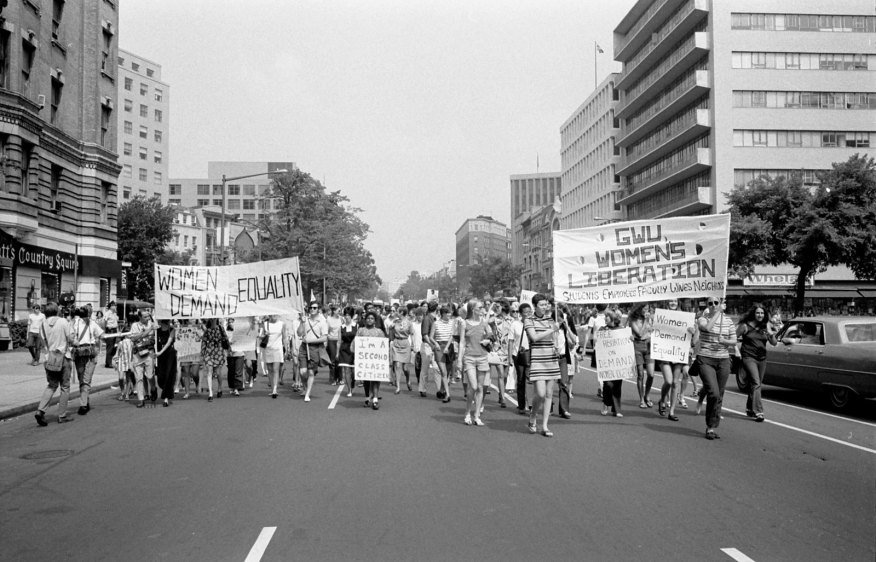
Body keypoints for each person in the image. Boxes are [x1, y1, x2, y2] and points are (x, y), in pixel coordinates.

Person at [696, 297, 737, 440]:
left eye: (716, 303)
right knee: (713, 392)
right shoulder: (703, 318)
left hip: (723, 360)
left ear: (720, 304)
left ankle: (711, 427)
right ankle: (710, 423)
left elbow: (734, 340)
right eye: (710, 303)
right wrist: (717, 313)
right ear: (707, 306)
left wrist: (725, 341)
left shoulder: (728, 321)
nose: (713, 305)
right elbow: (706, 328)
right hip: (706, 358)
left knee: (719, 394)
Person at [524, 294, 561, 436]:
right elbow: (534, 337)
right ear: (535, 306)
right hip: (538, 359)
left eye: (546, 304)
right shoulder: (529, 320)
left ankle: (545, 425)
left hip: (551, 359)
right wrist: (552, 329)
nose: (544, 307)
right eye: (541, 305)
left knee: (549, 394)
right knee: (540, 393)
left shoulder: (550, 319)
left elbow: (554, 338)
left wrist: (556, 345)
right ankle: (533, 416)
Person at [737, 303, 779, 423]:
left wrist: (771, 335)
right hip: (748, 357)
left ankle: (750, 408)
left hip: (761, 358)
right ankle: (758, 412)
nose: (760, 315)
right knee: (756, 382)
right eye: (757, 313)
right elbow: (733, 338)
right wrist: (736, 351)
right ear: (753, 314)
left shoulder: (766, 325)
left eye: (762, 313)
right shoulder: (745, 326)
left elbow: (774, 343)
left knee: (756, 384)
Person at [655, 299, 696, 422]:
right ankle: (662, 400)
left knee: (675, 383)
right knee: (668, 381)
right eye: (671, 301)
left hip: (678, 354)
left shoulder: (684, 317)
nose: (673, 303)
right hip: (665, 353)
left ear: (678, 303)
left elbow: (691, 339)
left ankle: (672, 411)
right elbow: (656, 332)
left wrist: (692, 333)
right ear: (667, 302)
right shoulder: (661, 316)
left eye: (675, 301)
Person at [34, 303, 72, 425]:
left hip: (49, 358)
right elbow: (70, 338)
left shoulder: (42, 325)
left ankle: (40, 410)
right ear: (57, 311)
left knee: (51, 385)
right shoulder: (63, 322)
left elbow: (43, 342)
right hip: (63, 357)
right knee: (65, 387)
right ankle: (62, 415)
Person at [457, 299, 491, 426]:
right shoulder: (465, 323)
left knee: (480, 387)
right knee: (474, 386)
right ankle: (467, 412)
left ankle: (476, 415)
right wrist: (459, 360)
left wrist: (488, 340)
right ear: (472, 309)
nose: (482, 310)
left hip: (482, 357)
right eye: (480, 308)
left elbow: (491, 335)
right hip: (469, 358)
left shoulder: (484, 322)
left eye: (482, 308)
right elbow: (462, 342)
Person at [69, 306, 105, 416]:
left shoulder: (93, 324)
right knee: (81, 379)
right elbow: (70, 336)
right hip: (79, 353)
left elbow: (101, 335)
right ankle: (86, 400)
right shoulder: (74, 323)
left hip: (91, 354)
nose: (87, 316)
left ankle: (83, 404)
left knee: (86, 379)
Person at [354, 311, 386, 409]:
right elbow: (355, 344)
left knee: (376, 379)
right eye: (368, 318)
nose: (370, 320)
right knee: (366, 379)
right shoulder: (360, 330)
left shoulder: (379, 332)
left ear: (375, 321)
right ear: (365, 320)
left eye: (372, 318)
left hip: (376, 360)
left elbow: (383, 347)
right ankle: (367, 397)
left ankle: (375, 399)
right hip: (364, 361)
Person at [297, 302, 328, 402]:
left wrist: (311, 341)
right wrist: (302, 323)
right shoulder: (305, 320)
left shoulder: (322, 322)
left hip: (314, 348)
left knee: (310, 372)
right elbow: (299, 333)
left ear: (318, 309)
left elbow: (324, 338)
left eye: (314, 308)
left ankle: (307, 393)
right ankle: (305, 387)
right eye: (310, 308)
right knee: (302, 372)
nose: (312, 309)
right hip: (303, 347)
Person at [599, 309, 627, 418]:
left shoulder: (621, 330)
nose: (605, 318)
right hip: (607, 361)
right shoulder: (603, 329)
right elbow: (598, 341)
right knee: (608, 384)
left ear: (612, 318)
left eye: (607, 316)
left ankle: (617, 409)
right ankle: (606, 404)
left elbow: (626, 342)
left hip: (618, 362)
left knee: (617, 385)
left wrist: (630, 338)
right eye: (605, 316)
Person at [628, 303, 655, 409]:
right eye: (644, 309)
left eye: (648, 309)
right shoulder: (633, 320)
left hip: (649, 346)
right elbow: (639, 333)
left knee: (651, 374)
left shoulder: (650, 319)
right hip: (638, 346)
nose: (646, 311)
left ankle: (647, 394)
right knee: (640, 374)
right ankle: (642, 399)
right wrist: (646, 321)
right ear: (639, 309)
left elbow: (653, 331)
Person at [129, 309, 157, 408]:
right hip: (138, 354)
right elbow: (133, 338)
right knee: (139, 378)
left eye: (148, 316)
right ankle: (141, 399)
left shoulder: (153, 324)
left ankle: (153, 388)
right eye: (145, 317)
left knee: (150, 375)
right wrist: (148, 331)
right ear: (140, 317)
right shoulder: (134, 326)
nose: (147, 318)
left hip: (149, 353)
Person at [487, 301, 513, 409]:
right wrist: (491, 308)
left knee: (505, 375)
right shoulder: (495, 319)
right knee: (501, 374)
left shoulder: (512, 320)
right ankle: (503, 398)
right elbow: (486, 321)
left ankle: (500, 393)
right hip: (497, 349)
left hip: (508, 349)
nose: (498, 308)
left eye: (499, 307)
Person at [555, 302, 578, 419]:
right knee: (548, 385)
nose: (561, 320)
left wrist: (567, 327)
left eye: (562, 319)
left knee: (564, 384)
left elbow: (574, 340)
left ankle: (564, 410)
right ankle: (548, 407)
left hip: (563, 359)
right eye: (559, 318)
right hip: (551, 359)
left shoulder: (564, 330)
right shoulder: (551, 329)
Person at [509, 303, 531, 415]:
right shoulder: (515, 324)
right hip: (518, 355)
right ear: (521, 313)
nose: (528, 314)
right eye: (525, 312)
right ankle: (522, 405)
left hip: (532, 354)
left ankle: (531, 403)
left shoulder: (533, 324)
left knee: (531, 379)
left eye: (529, 312)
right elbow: (511, 341)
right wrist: (509, 357)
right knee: (521, 380)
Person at [200, 318, 229, 402]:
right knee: (209, 371)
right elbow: (204, 342)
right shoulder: (207, 329)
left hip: (219, 352)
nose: (213, 319)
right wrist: (202, 353)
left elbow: (226, 338)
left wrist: (228, 350)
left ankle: (220, 388)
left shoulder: (220, 328)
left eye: (214, 318)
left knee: (218, 372)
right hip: (209, 352)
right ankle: (210, 393)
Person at [429, 305, 454, 403]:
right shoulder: (436, 323)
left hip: (449, 347)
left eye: (450, 313)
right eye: (448, 313)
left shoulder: (452, 323)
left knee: (447, 373)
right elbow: (431, 337)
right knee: (443, 372)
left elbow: (452, 336)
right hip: (439, 347)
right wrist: (435, 344)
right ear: (443, 314)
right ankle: (448, 395)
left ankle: (442, 390)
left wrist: (447, 347)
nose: (450, 315)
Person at [388, 304, 413, 394]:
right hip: (396, 343)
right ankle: (398, 386)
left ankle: (408, 379)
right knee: (397, 365)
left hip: (405, 344)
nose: (396, 313)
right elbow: (390, 329)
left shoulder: (409, 322)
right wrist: (392, 324)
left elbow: (412, 333)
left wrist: (413, 344)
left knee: (405, 368)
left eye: (398, 311)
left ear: (402, 312)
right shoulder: (396, 321)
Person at [262, 314, 286, 398]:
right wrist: (265, 335)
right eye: (272, 314)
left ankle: (275, 389)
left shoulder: (282, 324)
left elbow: (284, 337)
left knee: (276, 369)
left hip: (278, 349)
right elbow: (260, 336)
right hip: (268, 349)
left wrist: (286, 348)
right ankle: (272, 389)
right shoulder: (265, 324)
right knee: (270, 369)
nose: (274, 316)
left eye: (275, 314)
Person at [155, 319, 177, 407]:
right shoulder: (157, 331)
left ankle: (166, 398)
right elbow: (155, 343)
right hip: (160, 356)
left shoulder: (172, 330)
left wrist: (160, 352)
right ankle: (168, 391)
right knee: (160, 377)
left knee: (168, 375)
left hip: (169, 354)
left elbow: (169, 342)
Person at [337, 306, 358, 397]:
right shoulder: (341, 327)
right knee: (346, 370)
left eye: (348, 315)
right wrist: (337, 353)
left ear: (352, 316)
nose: (346, 317)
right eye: (345, 315)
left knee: (353, 371)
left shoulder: (357, 326)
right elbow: (339, 341)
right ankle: (349, 390)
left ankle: (353, 381)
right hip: (344, 349)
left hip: (354, 350)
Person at [326, 305, 343, 385]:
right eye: (338, 311)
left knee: (339, 359)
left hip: (339, 340)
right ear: (334, 311)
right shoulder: (328, 319)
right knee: (333, 360)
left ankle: (340, 378)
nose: (339, 312)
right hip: (331, 341)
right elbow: (327, 331)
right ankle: (332, 379)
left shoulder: (340, 319)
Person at [103, 302, 119, 368]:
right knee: (110, 347)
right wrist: (104, 331)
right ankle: (108, 363)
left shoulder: (114, 314)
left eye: (115, 305)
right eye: (114, 305)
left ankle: (110, 361)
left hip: (115, 330)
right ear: (110, 306)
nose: (115, 307)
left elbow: (116, 323)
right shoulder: (107, 313)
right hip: (110, 331)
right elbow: (105, 322)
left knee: (114, 347)